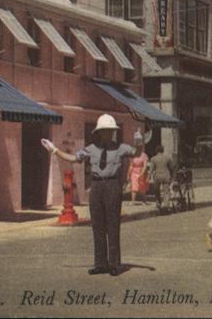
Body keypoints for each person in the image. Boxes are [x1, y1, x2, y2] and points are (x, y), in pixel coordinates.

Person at [42, 114, 137, 276]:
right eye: (105, 131)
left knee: (113, 225)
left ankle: (114, 264)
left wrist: (140, 142)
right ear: (99, 133)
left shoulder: (120, 147)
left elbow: (136, 152)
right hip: (97, 186)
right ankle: (100, 264)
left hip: (112, 185)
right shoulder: (91, 149)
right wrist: (55, 150)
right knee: (97, 225)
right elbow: (73, 158)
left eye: (110, 131)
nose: (108, 134)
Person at [148, 145, 172, 211]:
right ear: (163, 150)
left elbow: (151, 169)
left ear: (156, 151)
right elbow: (171, 168)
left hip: (157, 176)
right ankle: (166, 205)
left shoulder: (153, 159)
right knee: (166, 191)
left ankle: (158, 203)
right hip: (166, 175)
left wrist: (148, 177)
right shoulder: (167, 158)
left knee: (156, 190)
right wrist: (172, 176)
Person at [127, 131, 149, 204]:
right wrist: (128, 174)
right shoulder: (133, 155)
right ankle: (133, 201)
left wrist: (141, 173)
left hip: (141, 172)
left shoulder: (144, 155)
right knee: (134, 187)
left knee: (142, 187)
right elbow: (131, 165)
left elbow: (145, 166)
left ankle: (144, 201)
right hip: (134, 172)